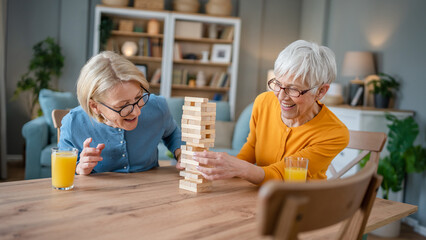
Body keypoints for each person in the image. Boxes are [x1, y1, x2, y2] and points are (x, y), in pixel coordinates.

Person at [193, 40, 349, 184]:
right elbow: (252, 147)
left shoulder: (334, 133)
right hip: (258, 197)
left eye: (293, 89)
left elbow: (283, 174)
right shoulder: (263, 102)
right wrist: (225, 168)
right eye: (278, 84)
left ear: (321, 91)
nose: (281, 97)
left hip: (302, 206)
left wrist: (239, 168)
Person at [58, 51, 182, 175]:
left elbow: (171, 133)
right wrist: (80, 169)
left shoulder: (157, 106)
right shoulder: (73, 123)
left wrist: (181, 154)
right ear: (95, 106)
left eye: (138, 97)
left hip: (150, 188)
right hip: (100, 192)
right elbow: (63, 174)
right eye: (123, 105)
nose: (136, 112)